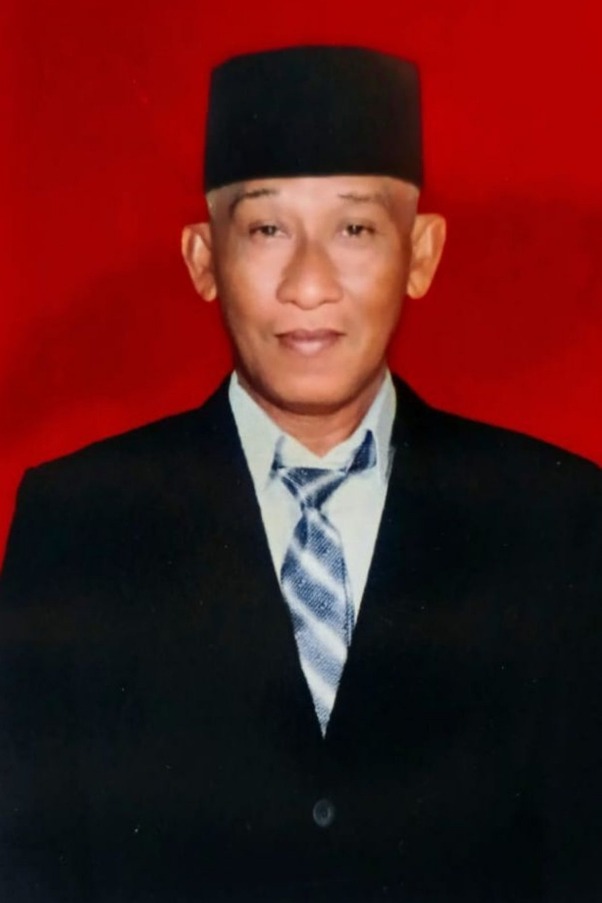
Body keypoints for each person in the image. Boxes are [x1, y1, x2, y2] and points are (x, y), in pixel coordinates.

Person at [0, 45, 600, 903]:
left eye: (354, 229)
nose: (309, 284)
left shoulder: (559, 522)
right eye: (266, 230)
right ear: (202, 259)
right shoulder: (77, 525)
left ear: (422, 253)